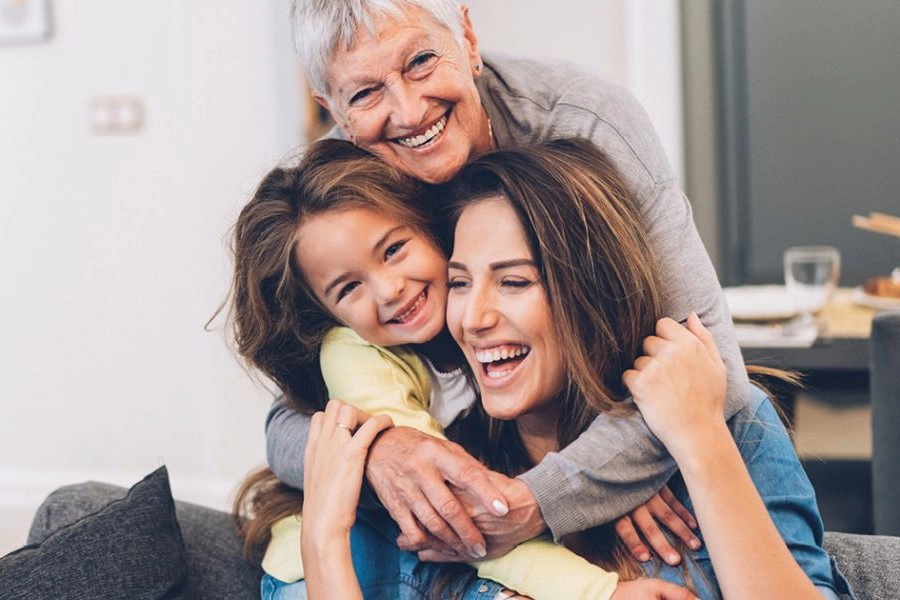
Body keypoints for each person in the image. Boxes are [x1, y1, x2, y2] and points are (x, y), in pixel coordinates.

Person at [266, 0, 751, 564]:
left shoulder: (584, 120)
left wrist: (554, 492)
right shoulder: (343, 187)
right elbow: (286, 423)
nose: (408, 110)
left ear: (467, 38)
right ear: (335, 111)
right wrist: (377, 451)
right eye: (365, 94)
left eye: (421, 61)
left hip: (612, 437)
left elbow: (713, 369)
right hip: (492, 452)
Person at [232, 139, 696, 599]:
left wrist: (614, 480)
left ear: (430, 228)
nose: (390, 289)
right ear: (327, 313)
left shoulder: (476, 321)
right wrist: (600, 593)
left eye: (393, 250)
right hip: (345, 565)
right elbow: (459, 512)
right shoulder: (356, 359)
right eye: (349, 288)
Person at [438, 138, 851, 598]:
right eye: (459, 282)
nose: (473, 318)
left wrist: (699, 440)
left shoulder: (732, 424)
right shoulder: (444, 466)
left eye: (513, 281)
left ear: (594, 291)